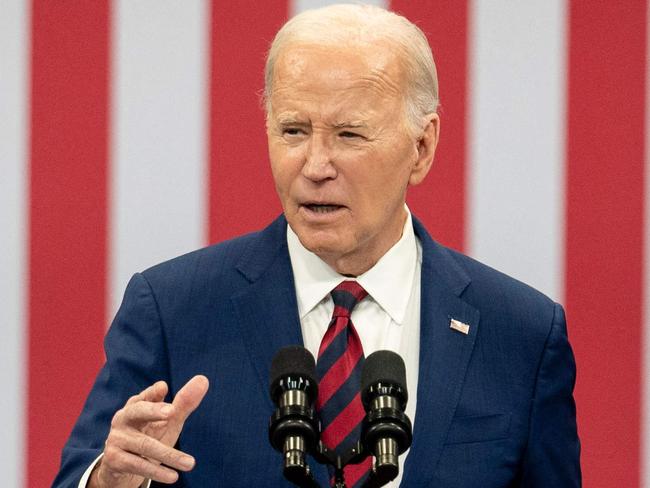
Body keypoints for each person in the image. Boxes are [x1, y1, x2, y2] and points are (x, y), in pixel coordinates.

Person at [53, 4, 581, 488]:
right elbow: (85, 472)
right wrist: (109, 481)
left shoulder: (521, 336)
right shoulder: (172, 310)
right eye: (293, 131)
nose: (315, 166)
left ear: (421, 148)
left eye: (349, 135)